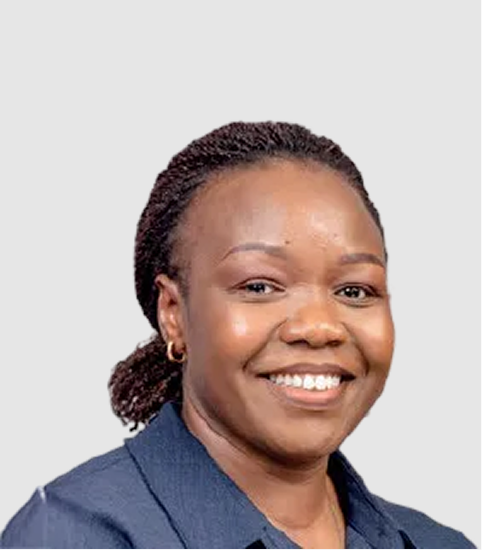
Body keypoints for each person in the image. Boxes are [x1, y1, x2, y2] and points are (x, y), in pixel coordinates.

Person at [1, 122, 475, 549]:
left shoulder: (438, 544)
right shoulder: (69, 535)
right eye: (259, 286)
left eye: (354, 290)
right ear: (174, 313)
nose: (319, 327)